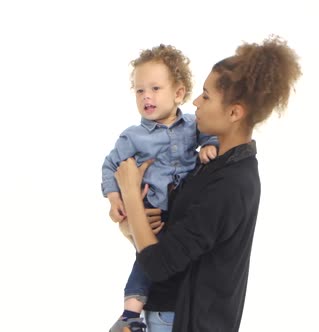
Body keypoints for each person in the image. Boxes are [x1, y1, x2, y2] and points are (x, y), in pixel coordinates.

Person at [113, 35, 302, 332]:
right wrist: (130, 225)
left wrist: (130, 195)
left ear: (234, 112)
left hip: (180, 321)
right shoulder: (209, 163)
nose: (195, 102)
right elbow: (172, 238)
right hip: (164, 311)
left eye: (207, 95)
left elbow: (159, 264)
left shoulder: (233, 184)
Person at [101, 44, 219, 332]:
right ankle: (130, 313)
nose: (147, 97)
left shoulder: (193, 125)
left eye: (155, 88)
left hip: (183, 215)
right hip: (152, 212)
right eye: (140, 91)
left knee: (173, 260)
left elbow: (215, 136)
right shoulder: (133, 136)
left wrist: (209, 148)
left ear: (178, 93)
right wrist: (115, 197)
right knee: (147, 259)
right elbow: (109, 166)